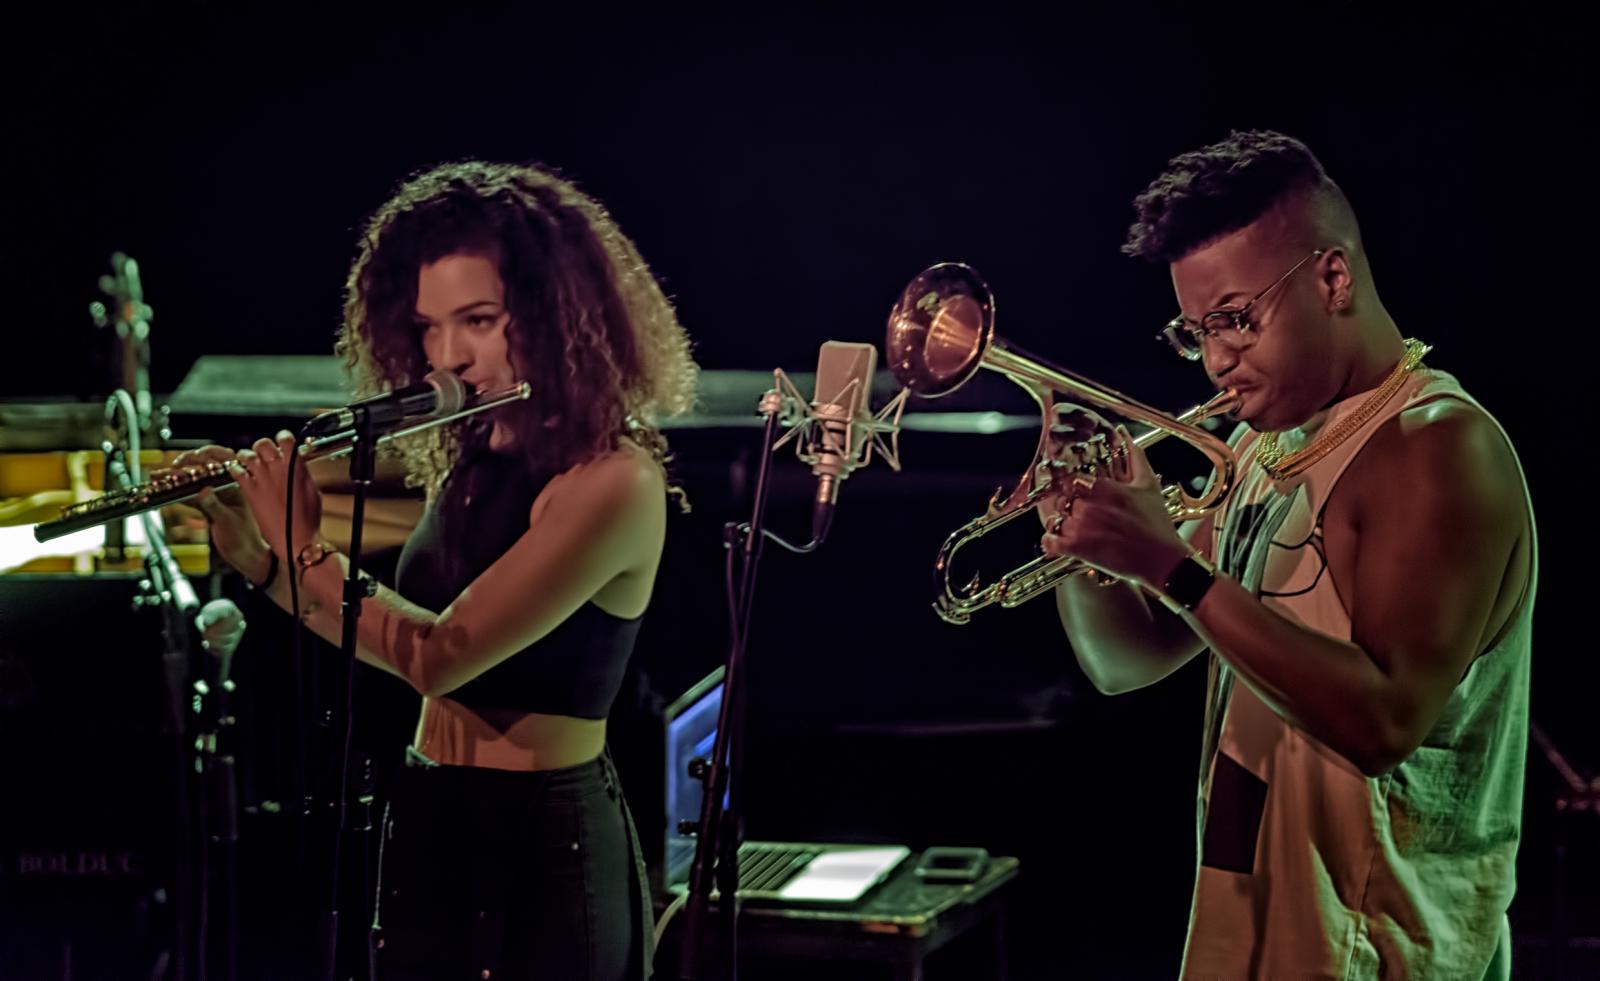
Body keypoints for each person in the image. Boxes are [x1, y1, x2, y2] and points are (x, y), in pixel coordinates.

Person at [171, 160, 698, 980]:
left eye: (479, 320)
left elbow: (441, 656)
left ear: (559, 312)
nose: (446, 357)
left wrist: (305, 546)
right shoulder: (480, 454)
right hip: (428, 810)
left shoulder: (614, 481)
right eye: (427, 328)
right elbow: (372, 625)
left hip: (543, 838)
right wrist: (264, 562)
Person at [1042, 130, 1535, 980]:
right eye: (1195, 330)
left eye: (1235, 319)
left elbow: (1382, 723)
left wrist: (1168, 564)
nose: (1217, 359)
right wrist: (1085, 548)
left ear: (1332, 278)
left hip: (1380, 953)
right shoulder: (1265, 449)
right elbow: (1125, 661)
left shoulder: (1439, 448)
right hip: (1254, 933)